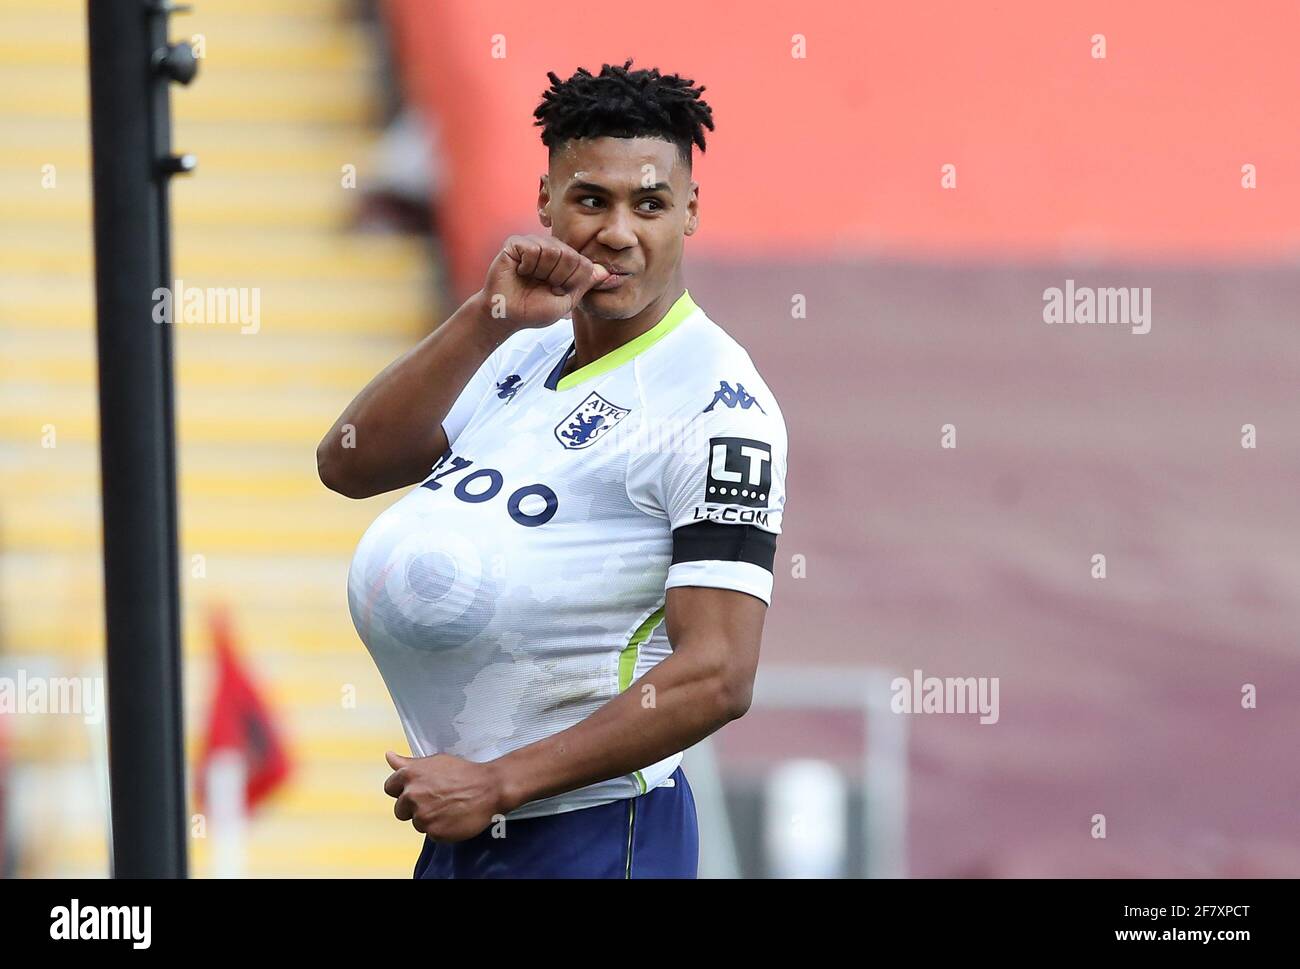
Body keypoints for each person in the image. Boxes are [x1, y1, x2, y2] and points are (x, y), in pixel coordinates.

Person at [317, 59, 788, 878]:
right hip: (469, 828)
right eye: (590, 199)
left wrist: (499, 781)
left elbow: (717, 673)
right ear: (545, 202)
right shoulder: (525, 346)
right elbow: (348, 463)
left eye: (649, 204)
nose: (618, 232)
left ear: (691, 211)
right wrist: (482, 318)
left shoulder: (719, 408)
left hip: (596, 834)